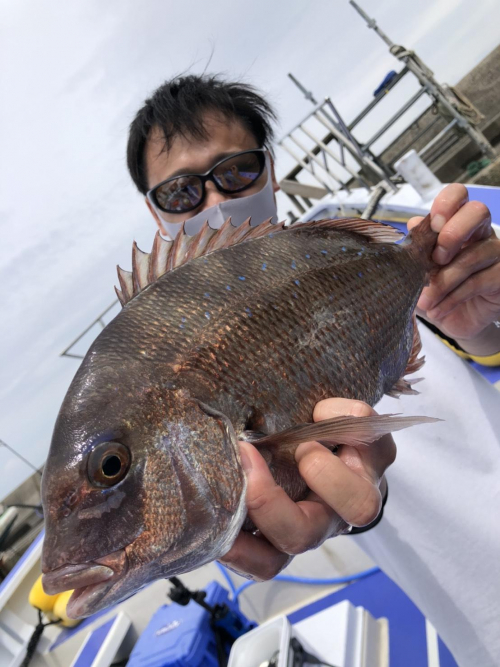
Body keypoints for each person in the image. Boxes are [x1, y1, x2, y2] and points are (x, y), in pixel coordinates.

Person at [127, 75, 500, 666]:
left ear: (269, 173)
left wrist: (483, 330)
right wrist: (343, 515)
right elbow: (308, 513)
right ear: (157, 214)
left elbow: (478, 346)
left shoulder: (378, 261)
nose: (216, 203)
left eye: (236, 172)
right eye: (181, 193)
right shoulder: (166, 357)